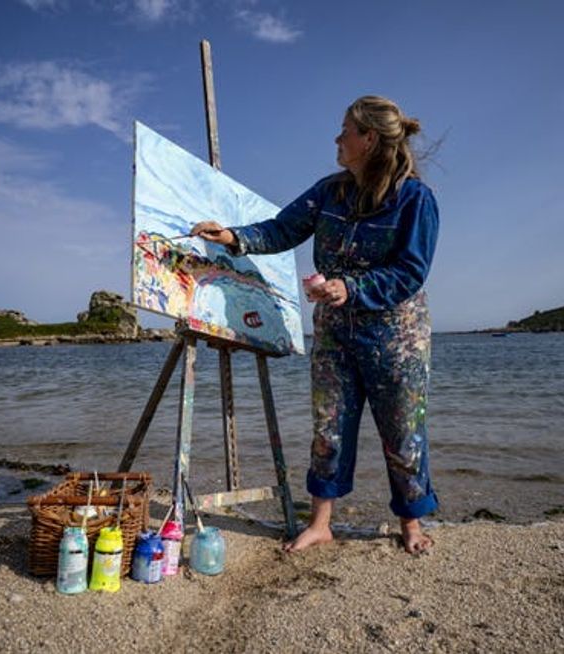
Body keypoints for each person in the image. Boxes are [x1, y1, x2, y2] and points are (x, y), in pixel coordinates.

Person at [191, 95, 440, 554]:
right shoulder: (329, 192)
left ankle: (411, 523)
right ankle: (321, 523)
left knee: (402, 430)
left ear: (368, 139)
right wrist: (233, 237)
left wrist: (353, 288)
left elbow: (411, 271)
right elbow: (281, 229)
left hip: (396, 336)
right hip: (334, 332)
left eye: (345, 129)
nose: (337, 138)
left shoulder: (415, 199)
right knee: (329, 428)